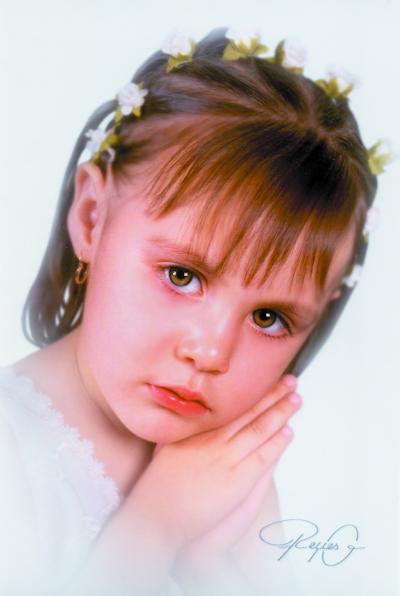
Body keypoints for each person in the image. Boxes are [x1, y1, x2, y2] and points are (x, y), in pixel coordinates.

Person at [0, 25, 389, 596]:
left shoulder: (236, 490)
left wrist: (229, 569)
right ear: (91, 218)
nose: (210, 352)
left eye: (269, 318)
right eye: (182, 276)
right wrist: (152, 531)